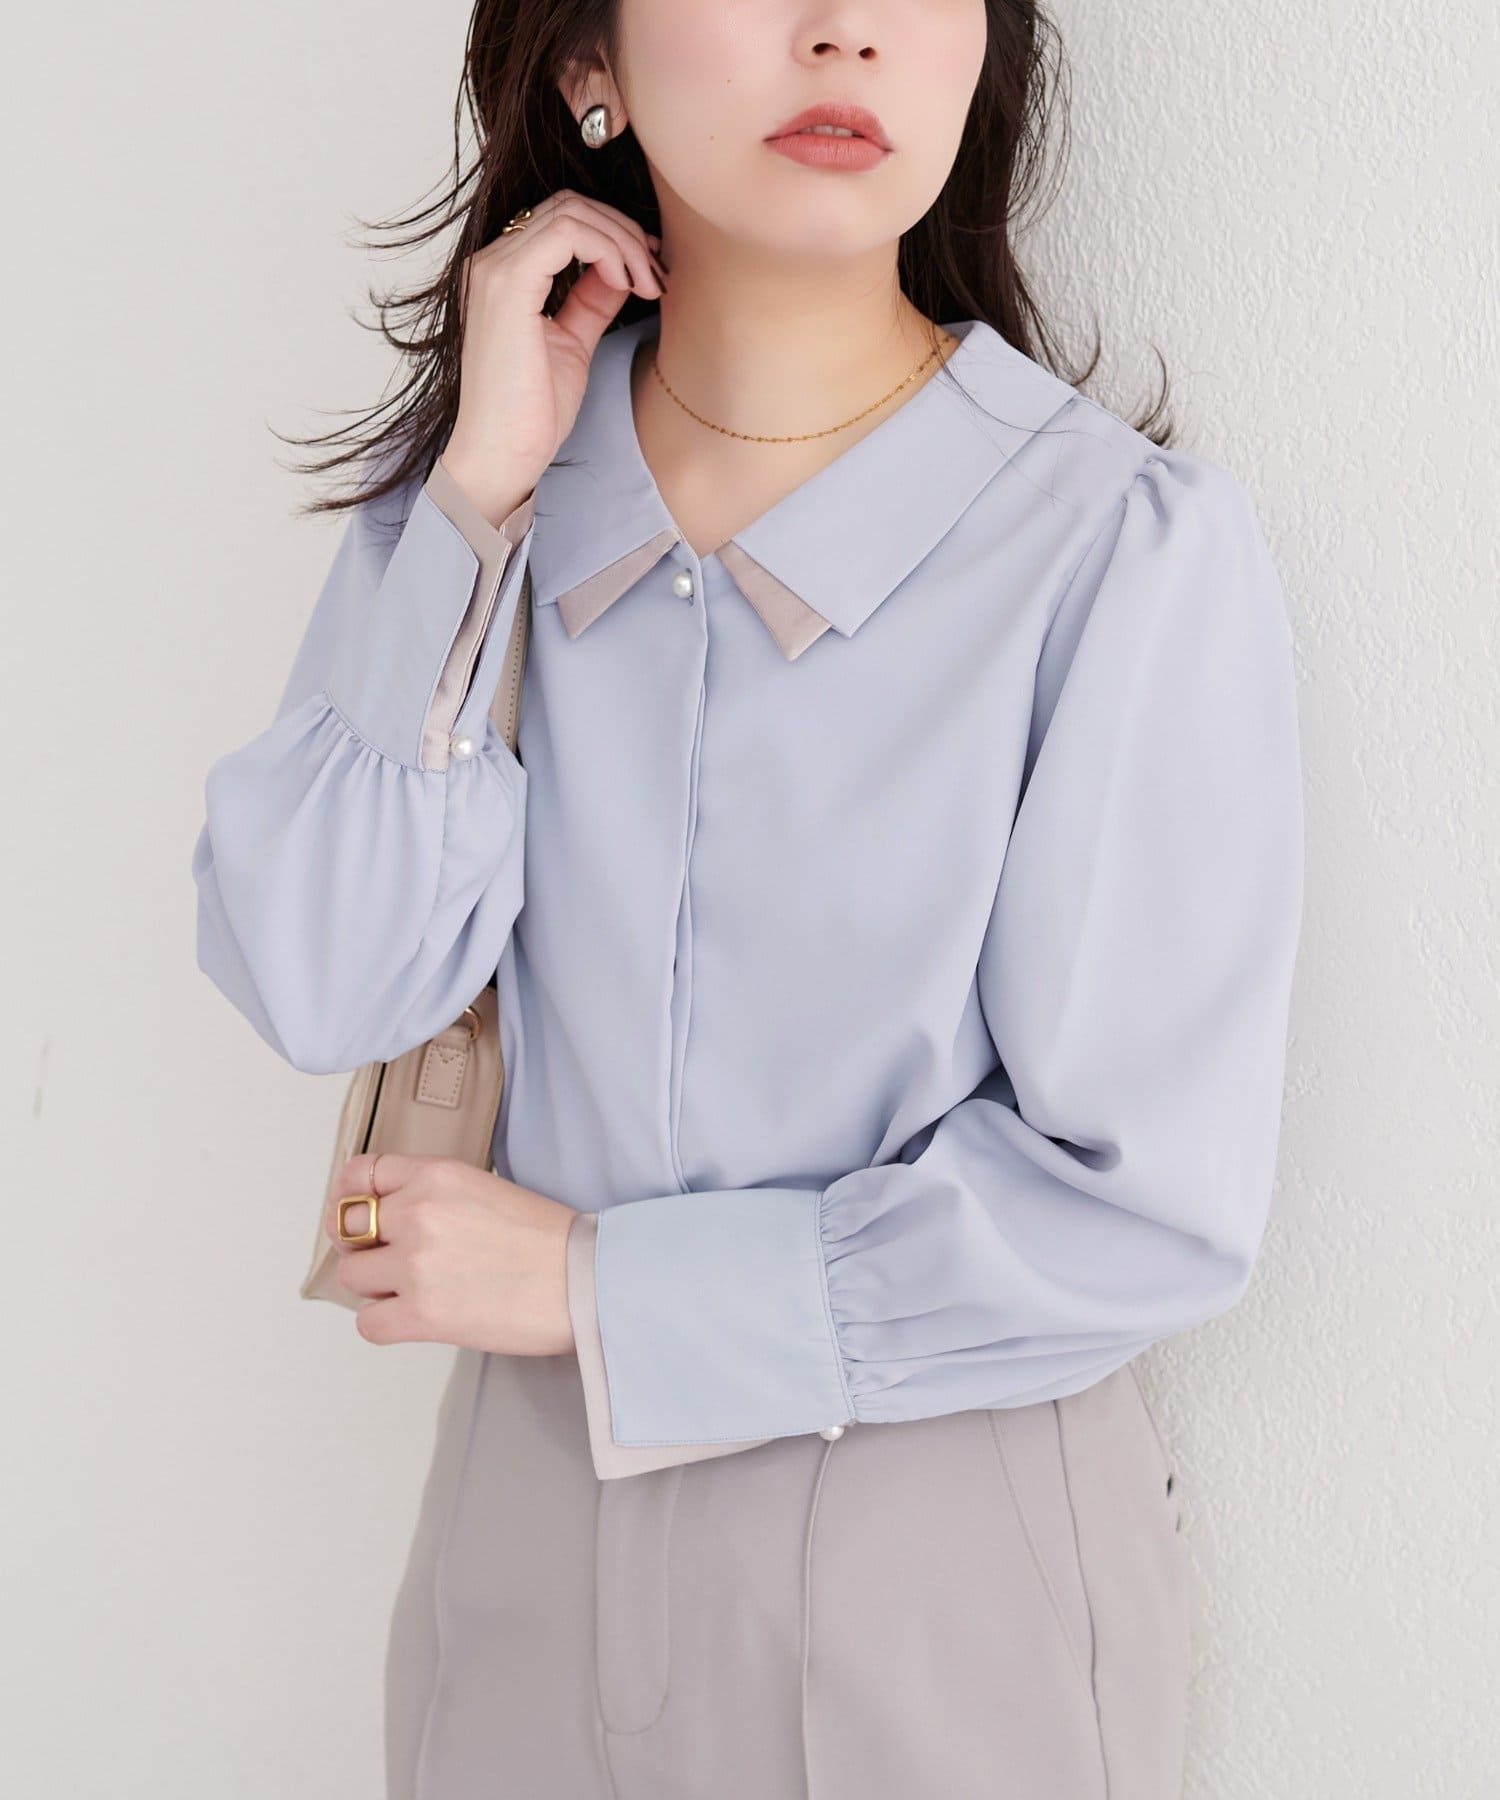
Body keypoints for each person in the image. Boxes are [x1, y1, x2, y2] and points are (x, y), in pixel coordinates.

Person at [189, 3, 1304, 1796]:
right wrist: (478, 498)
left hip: (937, 1577)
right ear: (588, 69)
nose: (843, 33)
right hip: (522, 1563)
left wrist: (599, 1286)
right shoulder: (482, 507)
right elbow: (324, 979)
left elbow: (1144, 1208)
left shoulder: (1111, 549)